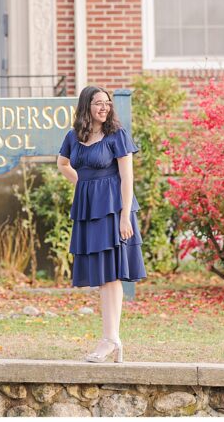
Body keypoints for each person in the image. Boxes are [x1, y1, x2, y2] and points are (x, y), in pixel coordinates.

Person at [57, 85, 148, 363]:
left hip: (113, 210)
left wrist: (124, 216)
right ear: (86, 106)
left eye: (107, 103)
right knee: (102, 276)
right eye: (98, 103)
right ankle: (111, 339)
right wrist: (82, 185)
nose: (104, 107)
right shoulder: (74, 136)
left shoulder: (116, 136)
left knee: (112, 275)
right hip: (89, 210)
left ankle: (111, 339)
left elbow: (127, 178)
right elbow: (62, 163)